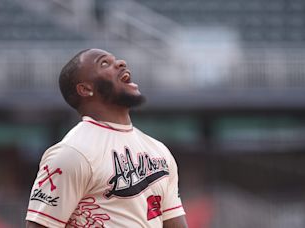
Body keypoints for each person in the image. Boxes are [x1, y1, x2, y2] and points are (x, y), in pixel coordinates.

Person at [26, 48, 188, 228]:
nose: (121, 63)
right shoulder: (72, 153)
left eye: (116, 60)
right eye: (105, 63)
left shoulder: (159, 150)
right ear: (86, 89)